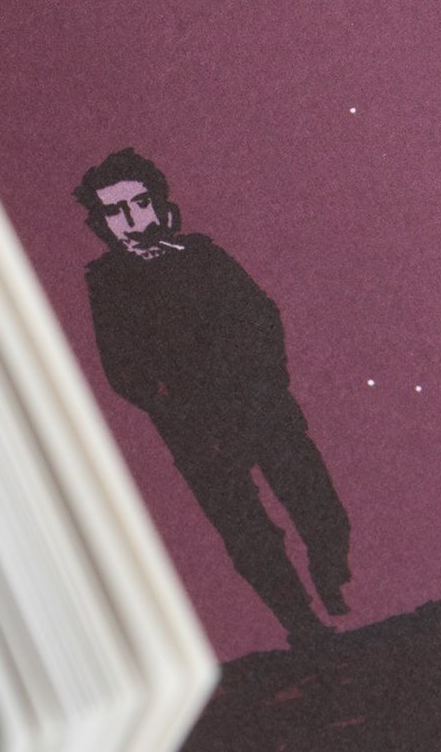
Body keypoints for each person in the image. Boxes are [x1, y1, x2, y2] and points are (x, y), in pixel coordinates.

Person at [78, 148, 352, 646]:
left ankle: (332, 575)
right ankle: (301, 623)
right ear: (102, 224)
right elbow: (122, 368)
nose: (132, 220)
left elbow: (261, 315)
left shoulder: (202, 255)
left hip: (259, 403)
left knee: (314, 499)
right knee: (247, 533)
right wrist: (176, 405)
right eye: (115, 212)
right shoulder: (108, 283)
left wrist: (265, 381)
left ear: (160, 203)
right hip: (196, 430)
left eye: (140, 203)